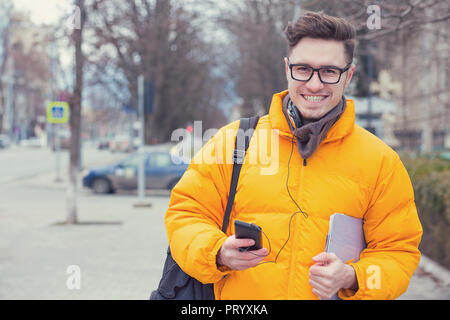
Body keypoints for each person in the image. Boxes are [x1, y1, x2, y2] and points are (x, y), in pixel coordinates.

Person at [165, 11, 422, 300]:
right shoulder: (234, 142)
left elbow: (399, 252)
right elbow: (186, 216)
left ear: (348, 75)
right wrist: (217, 252)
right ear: (287, 69)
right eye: (303, 69)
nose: (314, 84)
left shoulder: (381, 161)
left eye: (329, 71)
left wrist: (353, 276)